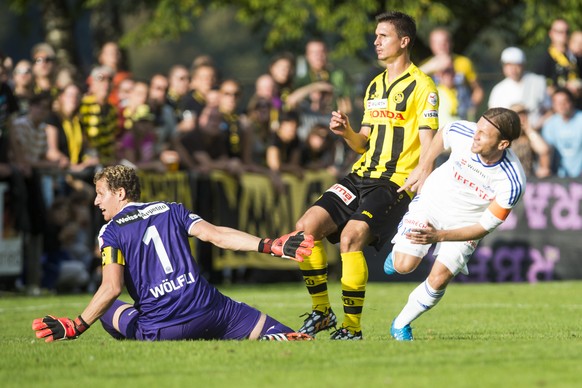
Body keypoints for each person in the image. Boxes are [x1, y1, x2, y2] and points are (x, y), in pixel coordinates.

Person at [32, 164, 315, 342]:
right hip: (212, 312)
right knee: (288, 335)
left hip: (163, 328)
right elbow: (216, 235)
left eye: (100, 194)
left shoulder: (111, 231)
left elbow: (111, 288)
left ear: (119, 194)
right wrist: (269, 244)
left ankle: (141, 336)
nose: (95, 201)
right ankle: (277, 338)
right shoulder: (171, 208)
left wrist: (77, 326)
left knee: (109, 312)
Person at [294, 11, 439, 340]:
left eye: (383, 36)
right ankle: (321, 313)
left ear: (404, 42)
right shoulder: (375, 85)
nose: (375, 41)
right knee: (306, 229)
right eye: (375, 35)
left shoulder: (423, 86)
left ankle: (352, 328)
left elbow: (430, 146)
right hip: (359, 175)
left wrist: (420, 186)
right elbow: (363, 143)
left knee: (351, 237)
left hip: (393, 182)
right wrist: (346, 132)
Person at [383, 107, 526, 340]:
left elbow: (483, 228)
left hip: (465, 223)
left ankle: (400, 324)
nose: (475, 135)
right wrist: (424, 165)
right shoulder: (463, 131)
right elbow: (443, 133)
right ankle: (398, 257)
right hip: (431, 202)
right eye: (477, 127)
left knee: (439, 279)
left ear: (503, 144)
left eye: (484, 133)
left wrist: (439, 236)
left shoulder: (512, 181)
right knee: (404, 266)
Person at [420, 27, 483, 120]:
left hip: (462, 118)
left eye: (445, 42)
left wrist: (472, 107)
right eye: (437, 43)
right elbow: (410, 82)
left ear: (451, 43)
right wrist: (431, 66)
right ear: (431, 45)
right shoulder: (426, 66)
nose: (441, 46)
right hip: (436, 120)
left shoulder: (464, 62)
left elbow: (478, 90)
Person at [488, 47, 550, 130]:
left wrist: (534, 128)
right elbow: (492, 119)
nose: (513, 69)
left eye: (517, 65)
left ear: (523, 65)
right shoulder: (498, 89)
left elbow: (550, 111)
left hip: (537, 133)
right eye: (509, 65)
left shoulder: (538, 82)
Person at [541, 88, 582, 178]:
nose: (562, 106)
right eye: (558, 103)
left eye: (565, 102)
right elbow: (546, 151)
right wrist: (545, 168)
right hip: (559, 178)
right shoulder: (550, 124)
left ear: (572, 102)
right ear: (553, 105)